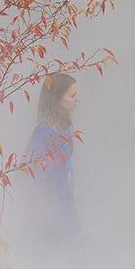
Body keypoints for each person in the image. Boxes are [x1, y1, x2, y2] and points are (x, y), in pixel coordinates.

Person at [22, 72, 82, 249]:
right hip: (47, 221)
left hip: (59, 213)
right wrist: (73, 228)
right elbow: (52, 189)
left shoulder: (64, 128)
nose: (77, 99)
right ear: (56, 98)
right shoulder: (46, 136)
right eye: (72, 95)